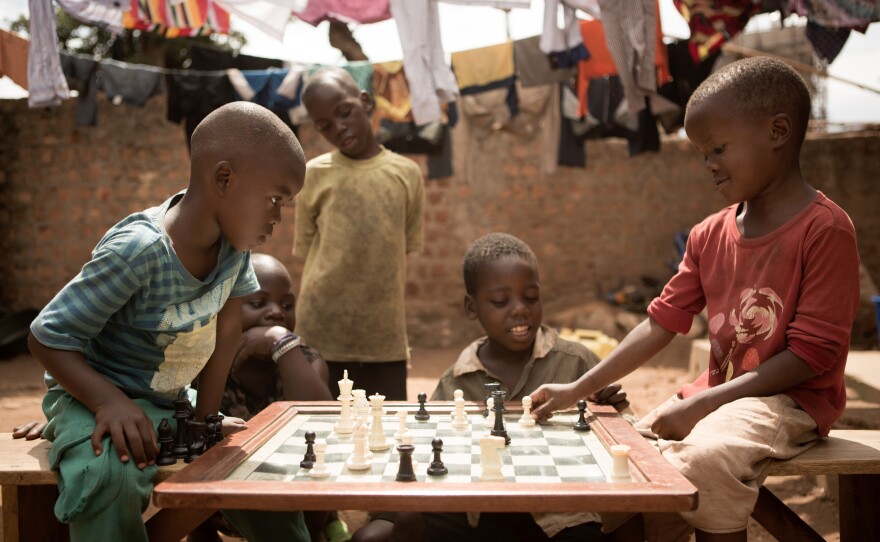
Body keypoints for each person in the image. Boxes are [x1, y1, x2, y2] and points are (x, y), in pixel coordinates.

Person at [529, 57, 861, 542]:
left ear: (779, 131)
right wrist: (575, 389)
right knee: (626, 463)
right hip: (720, 396)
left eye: (718, 148)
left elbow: (811, 357)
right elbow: (659, 323)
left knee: (701, 461)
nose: (708, 163)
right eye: (702, 151)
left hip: (790, 402)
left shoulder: (824, 229)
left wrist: (702, 405)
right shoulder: (708, 234)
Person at [26, 102, 311, 542]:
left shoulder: (233, 250)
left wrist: (206, 421)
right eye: (275, 199)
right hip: (94, 396)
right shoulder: (139, 251)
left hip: (169, 401)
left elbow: (227, 329)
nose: (277, 216)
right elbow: (47, 337)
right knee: (109, 474)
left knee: (262, 471)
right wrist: (106, 403)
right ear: (223, 178)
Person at [353, 232, 631, 542]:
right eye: (500, 301)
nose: (519, 309)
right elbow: (426, 455)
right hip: (476, 512)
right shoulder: (456, 381)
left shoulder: (577, 364)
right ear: (471, 308)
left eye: (531, 297)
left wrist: (611, 416)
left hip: (559, 513)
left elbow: (630, 446)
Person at [294, 67, 425, 400]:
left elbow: (405, 248)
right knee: (322, 433)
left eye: (344, 113)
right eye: (324, 125)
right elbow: (309, 253)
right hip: (321, 333)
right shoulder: (312, 175)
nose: (338, 127)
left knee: (389, 434)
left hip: (384, 339)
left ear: (365, 102)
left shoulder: (406, 174)